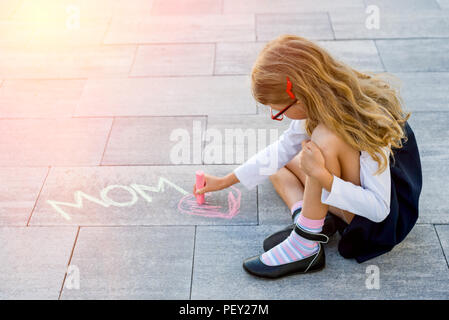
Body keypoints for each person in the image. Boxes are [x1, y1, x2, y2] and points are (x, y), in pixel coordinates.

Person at [193, 34, 422, 279]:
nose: (276, 114)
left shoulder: (366, 119)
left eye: (279, 111)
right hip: (353, 199)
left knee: (322, 140)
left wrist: (322, 175)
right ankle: (309, 218)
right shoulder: (323, 102)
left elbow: (379, 210)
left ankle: (305, 245)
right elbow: (280, 151)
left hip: (377, 226)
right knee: (280, 162)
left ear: (301, 96)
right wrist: (225, 180)